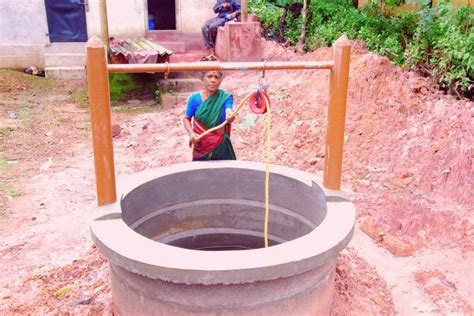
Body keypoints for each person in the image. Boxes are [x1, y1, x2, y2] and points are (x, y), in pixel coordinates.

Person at [183, 70, 236, 161]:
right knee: (200, 174)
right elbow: (186, 118)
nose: (213, 80)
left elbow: (229, 110)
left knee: (225, 173)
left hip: (221, 146)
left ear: (220, 80)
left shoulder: (225, 98)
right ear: (202, 78)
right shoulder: (194, 99)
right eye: (209, 76)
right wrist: (191, 133)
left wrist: (230, 116)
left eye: (216, 77)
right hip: (201, 147)